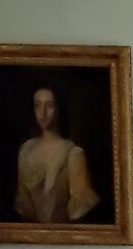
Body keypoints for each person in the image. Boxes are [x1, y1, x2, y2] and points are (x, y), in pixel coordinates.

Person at [14, 86, 100, 223]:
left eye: (49, 106)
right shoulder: (26, 150)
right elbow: (23, 203)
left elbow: (80, 206)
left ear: (59, 108)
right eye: (38, 106)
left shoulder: (72, 153)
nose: (43, 113)